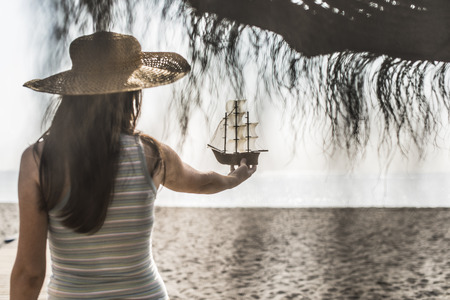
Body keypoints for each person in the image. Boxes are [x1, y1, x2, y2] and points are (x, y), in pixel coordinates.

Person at [10, 31, 256, 299]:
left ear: (72, 93)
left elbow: (30, 273)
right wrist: (235, 178)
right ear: (132, 94)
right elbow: (204, 181)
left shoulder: (37, 160)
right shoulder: (152, 155)